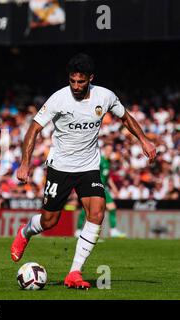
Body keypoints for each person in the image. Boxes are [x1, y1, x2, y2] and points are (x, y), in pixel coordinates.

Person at [10, 53, 156, 289]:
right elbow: (34, 129)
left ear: (91, 78)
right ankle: (25, 232)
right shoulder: (59, 99)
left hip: (88, 166)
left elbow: (126, 118)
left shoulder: (105, 96)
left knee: (97, 213)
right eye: (72, 81)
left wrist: (144, 140)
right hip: (60, 168)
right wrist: (25, 163)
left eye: (81, 81)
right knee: (49, 221)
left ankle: (74, 272)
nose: (76, 86)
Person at [75, 143, 126, 238]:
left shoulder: (108, 161)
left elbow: (108, 177)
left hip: (104, 188)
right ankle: (78, 230)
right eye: (108, 149)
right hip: (97, 186)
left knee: (111, 208)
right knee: (87, 209)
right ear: (104, 150)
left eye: (111, 150)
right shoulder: (100, 160)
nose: (109, 151)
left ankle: (113, 230)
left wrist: (114, 188)